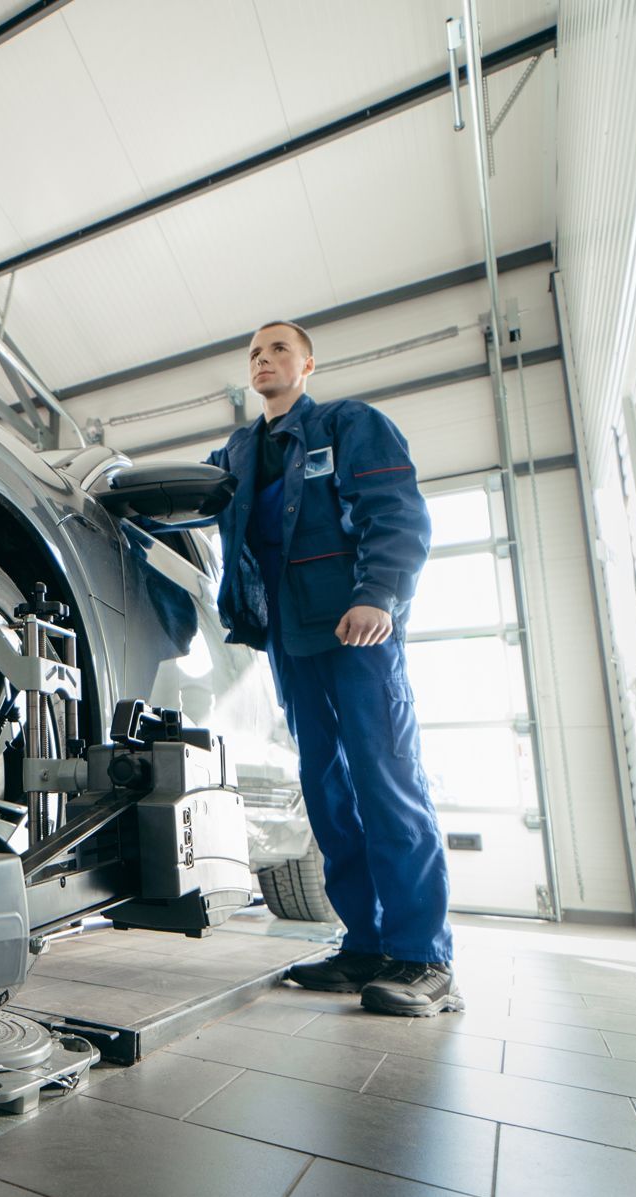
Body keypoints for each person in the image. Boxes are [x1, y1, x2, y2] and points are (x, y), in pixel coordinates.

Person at [208, 320, 461, 1016]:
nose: (263, 360)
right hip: (290, 643)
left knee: (387, 783)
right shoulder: (237, 451)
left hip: (357, 633)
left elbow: (396, 512)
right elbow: (191, 507)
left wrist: (378, 595)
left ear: (308, 363)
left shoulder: (350, 425)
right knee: (327, 796)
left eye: (278, 349)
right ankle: (367, 945)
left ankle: (424, 956)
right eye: (254, 353)